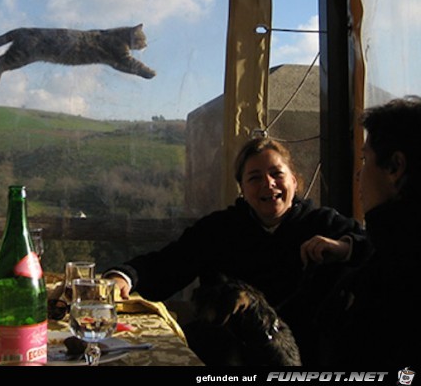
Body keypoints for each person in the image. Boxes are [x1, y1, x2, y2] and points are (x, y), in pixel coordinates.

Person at [103, 136, 372, 365]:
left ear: (294, 180)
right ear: (242, 188)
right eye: (255, 178)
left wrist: (344, 247)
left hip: (308, 359)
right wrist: (122, 277)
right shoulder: (219, 229)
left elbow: (377, 250)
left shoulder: (324, 224)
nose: (268, 184)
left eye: (277, 174)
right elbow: (168, 264)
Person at [319, 96, 421, 366]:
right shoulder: (387, 253)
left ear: (394, 167)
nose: (358, 175)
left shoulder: (386, 287)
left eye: (365, 160)